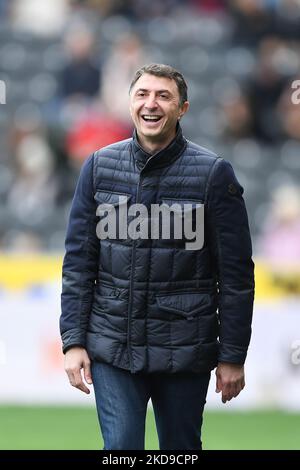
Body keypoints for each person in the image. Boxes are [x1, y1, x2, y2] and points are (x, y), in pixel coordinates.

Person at [60, 63, 255, 450]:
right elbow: (79, 265)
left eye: (163, 96)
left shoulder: (214, 175)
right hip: (113, 347)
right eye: (142, 94)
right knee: (121, 450)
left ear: (182, 108)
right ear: (130, 103)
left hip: (186, 351)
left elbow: (236, 277)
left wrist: (233, 355)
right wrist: (73, 341)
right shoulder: (98, 167)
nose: (152, 104)